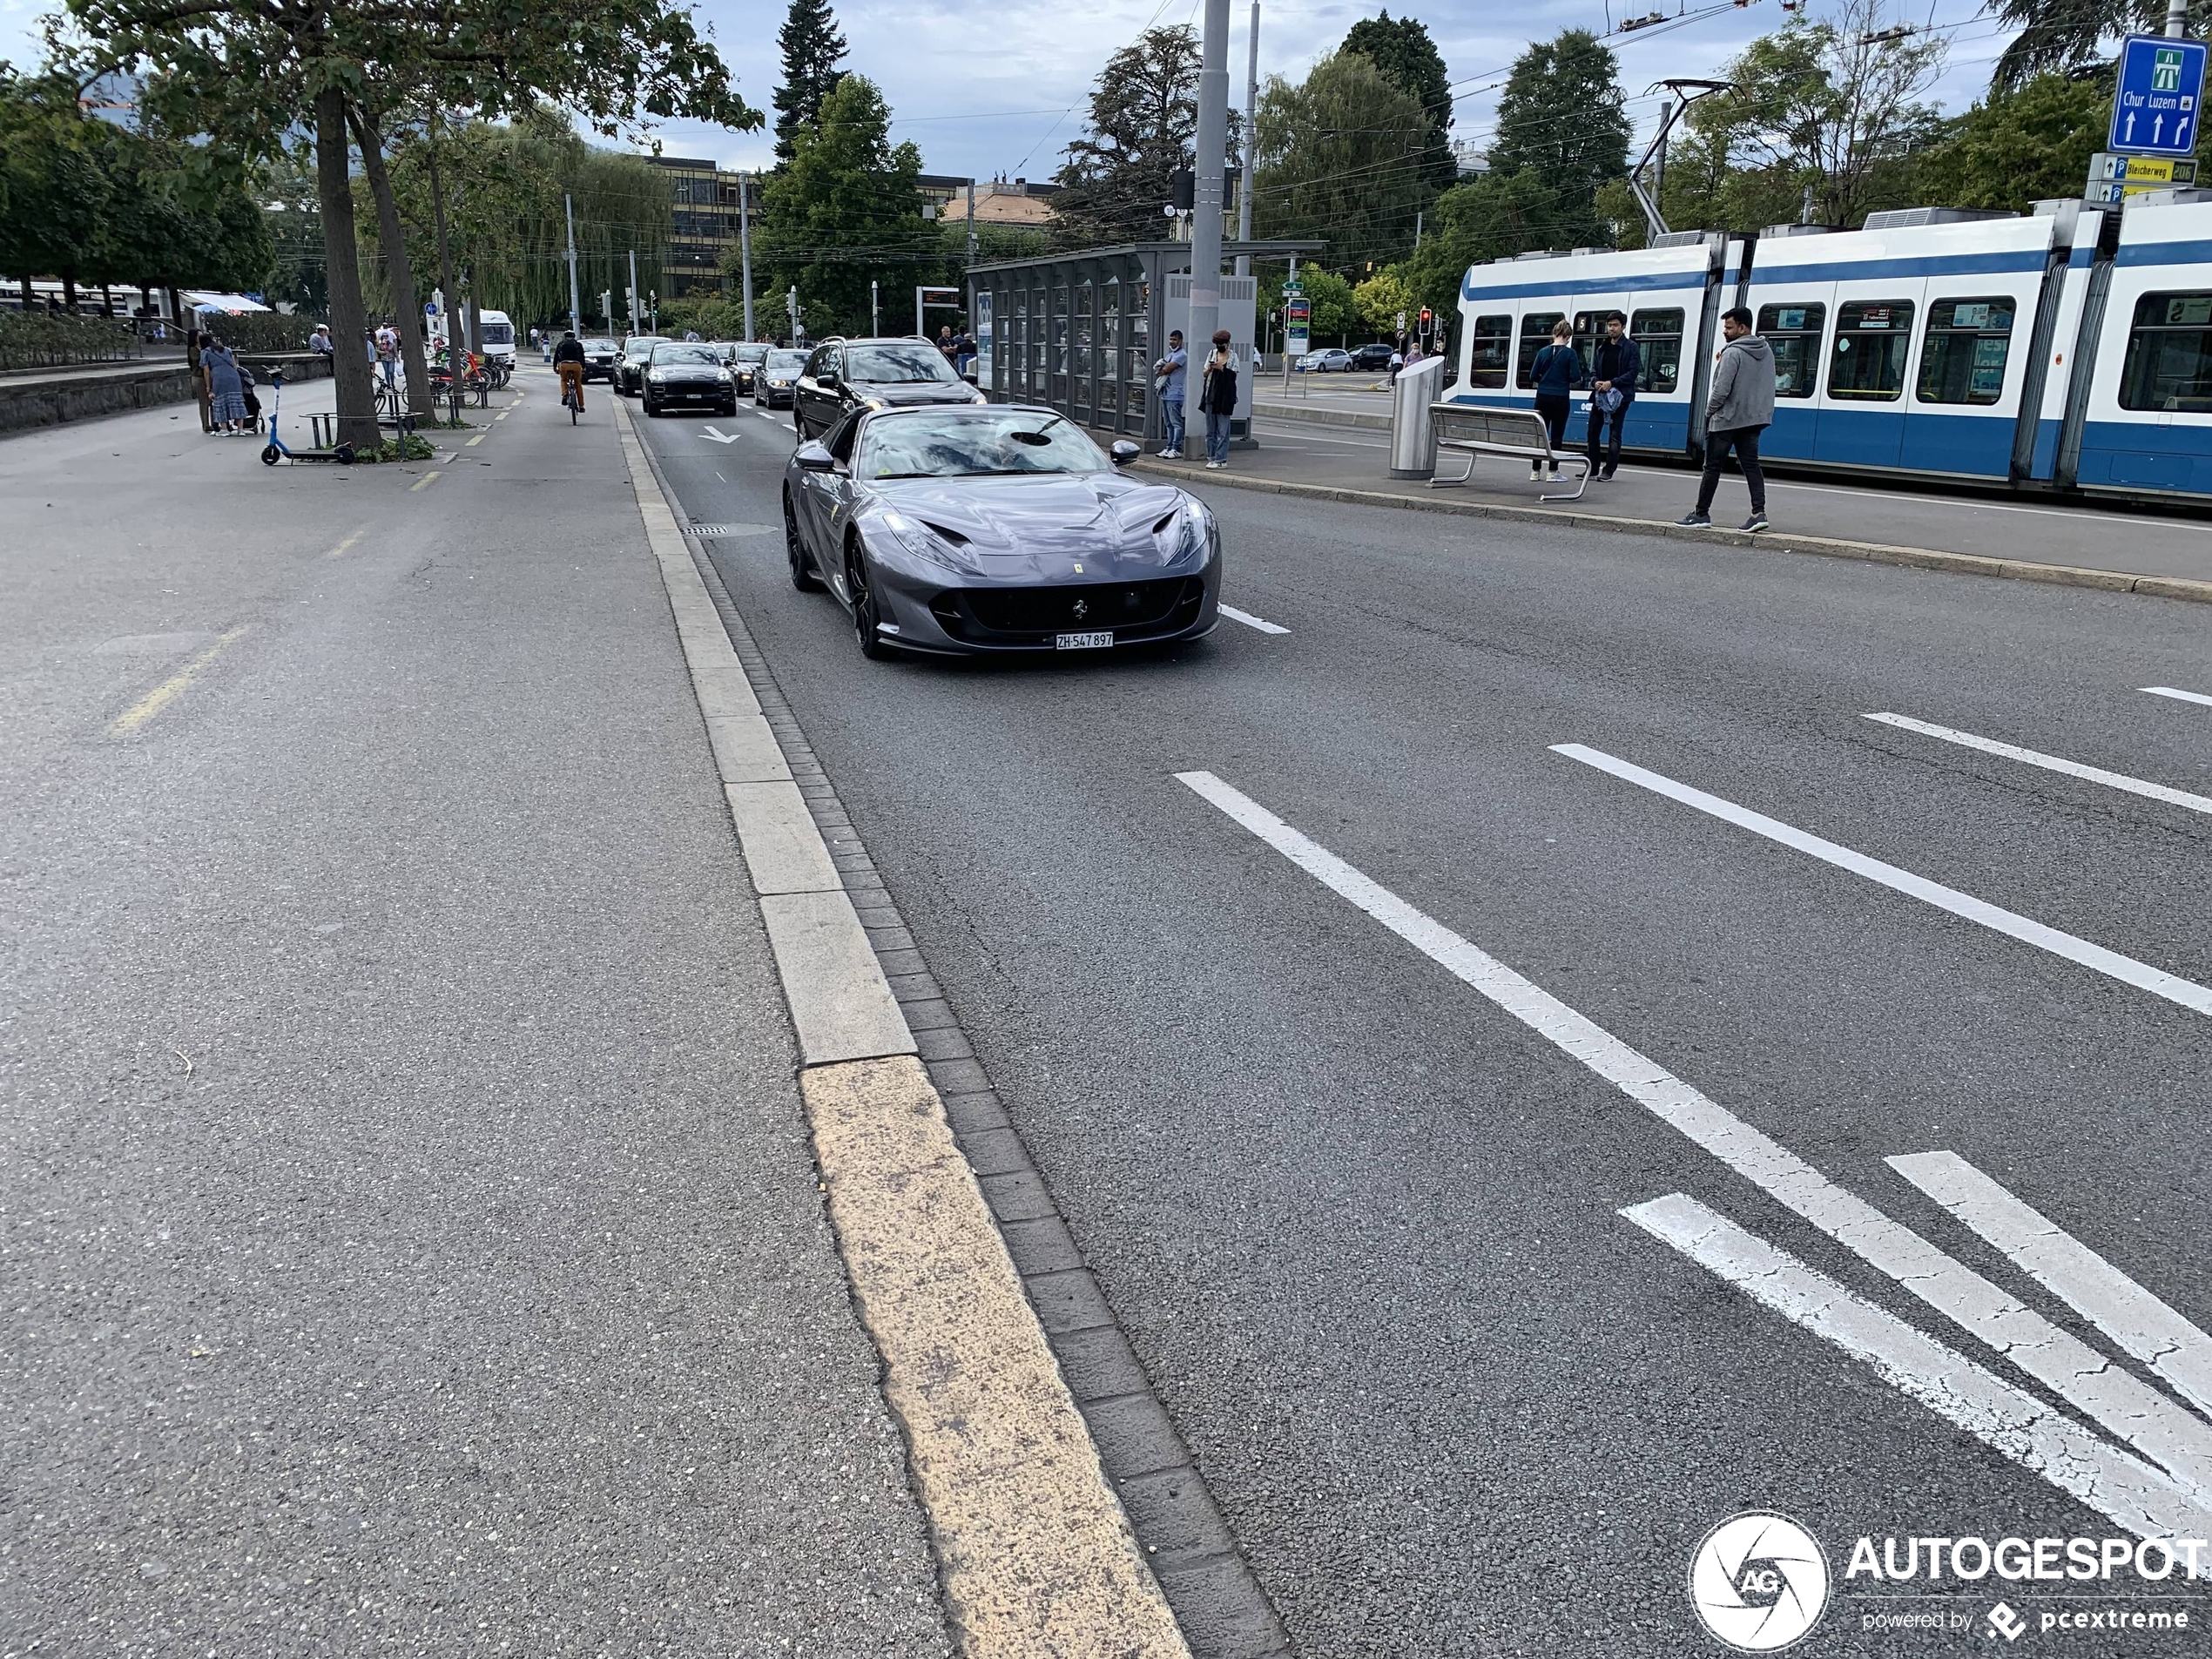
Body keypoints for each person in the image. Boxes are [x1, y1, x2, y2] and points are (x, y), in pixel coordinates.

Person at [1678, 306, 1775, 532]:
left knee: (1712, 467)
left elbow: (1721, 391)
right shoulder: (1766, 351)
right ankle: (1758, 513)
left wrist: (1708, 411)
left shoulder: (1732, 353)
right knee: (1751, 464)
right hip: (1753, 419)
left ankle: (1701, 514)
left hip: (1727, 420)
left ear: (1742, 328)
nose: (1725, 331)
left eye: (1729, 327)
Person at [1585, 312, 1641, 482]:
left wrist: (1612, 382)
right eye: (1609, 325)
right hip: (1600, 396)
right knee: (1592, 432)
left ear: (1623, 327)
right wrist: (1594, 381)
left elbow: (1633, 373)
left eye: (1615, 325)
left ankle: (1609, 470)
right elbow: (1594, 369)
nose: (1611, 329)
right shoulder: (1602, 347)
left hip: (1620, 397)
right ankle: (1593, 468)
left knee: (1614, 434)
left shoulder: (1631, 347)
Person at [1528, 318, 1579, 481]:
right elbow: (1575, 377)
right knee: (1557, 436)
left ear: (1554, 333)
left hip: (1542, 397)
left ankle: (1535, 471)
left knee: (1540, 434)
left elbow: (1533, 375)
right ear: (1568, 336)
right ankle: (1552, 471)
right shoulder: (1570, 354)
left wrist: (1545, 378)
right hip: (1560, 398)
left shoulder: (1542, 352)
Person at [1198, 329, 1238, 469]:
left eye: (1222, 343)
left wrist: (1222, 369)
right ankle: (1212, 457)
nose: (1220, 346)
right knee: (1210, 430)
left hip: (1225, 398)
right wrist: (1210, 368)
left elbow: (1234, 376)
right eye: (1217, 343)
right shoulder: (1212, 354)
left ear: (1228, 343)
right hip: (1211, 395)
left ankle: (1221, 459)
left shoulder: (1233, 357)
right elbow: (1204, 374)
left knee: (1223, 431)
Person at [201, 334, 248, 435]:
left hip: (219, 377)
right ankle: (240, 429)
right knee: (236, 401)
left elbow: (206, 371)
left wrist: (208, 386)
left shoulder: (205, 352)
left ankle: (224, 429)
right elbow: (234, 365)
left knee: (220, 402)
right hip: (233, 376)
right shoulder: (226, 349)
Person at [1154, 329, 1188, 458]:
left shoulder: (1182, 355)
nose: (1172, 342)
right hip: (1166, 394)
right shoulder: (1170, 355)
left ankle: (1176, 448)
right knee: (1168, 423)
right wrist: (1163, 369)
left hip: (1175, 394)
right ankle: (1169, 447)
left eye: (1174, 339)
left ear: (1180, 341)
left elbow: (1166, 369)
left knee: (1176, 423)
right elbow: (1158, 371)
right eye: (1171, 339)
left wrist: (1164, 368)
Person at [552, 328, 587, 413]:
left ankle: (565, 394)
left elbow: (556, 356)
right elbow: (582, 356)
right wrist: (584, 367)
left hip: (564, 365)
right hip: (576, 365)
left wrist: (555, 367)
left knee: (564, 380)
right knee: (578, 384)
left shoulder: (561, 344)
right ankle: (581, 406)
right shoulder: (578, 344)